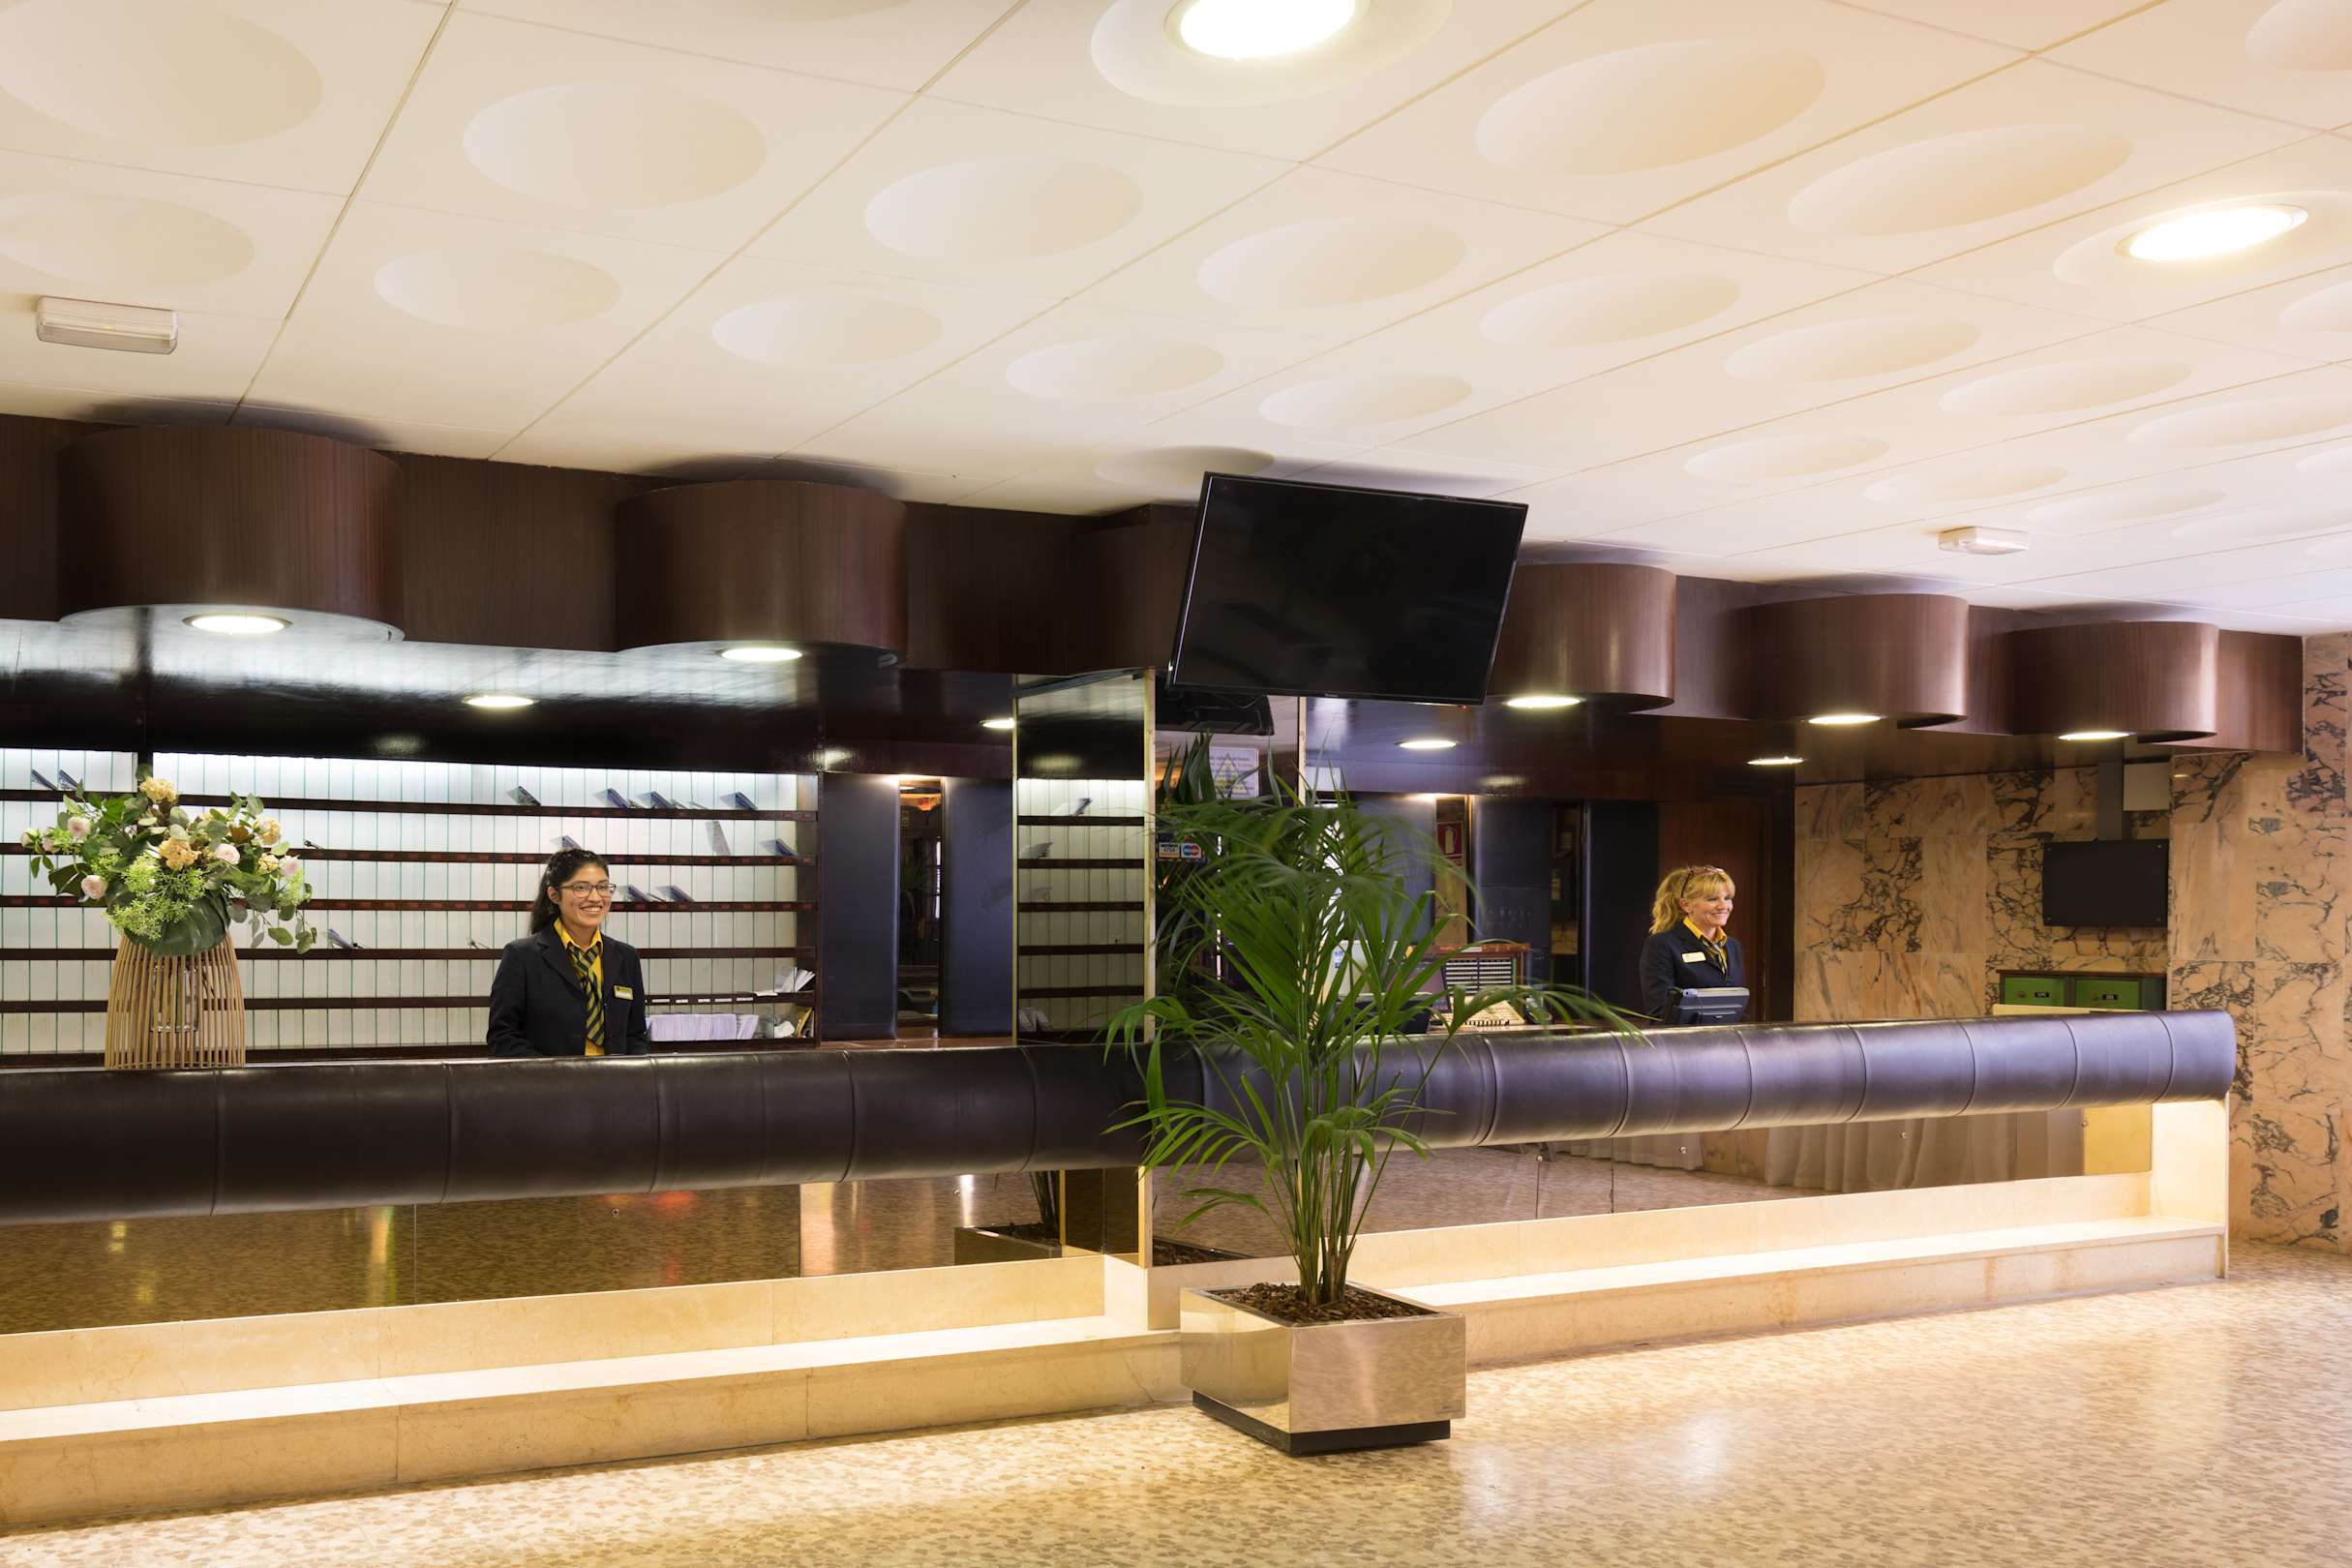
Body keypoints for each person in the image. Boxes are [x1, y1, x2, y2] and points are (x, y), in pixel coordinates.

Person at [487, 847, 654, 1058]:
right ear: (554, 895)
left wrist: (634, 1070)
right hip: (549, 1077)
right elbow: (503, 1036)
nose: (595, 898)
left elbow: (635, 1034)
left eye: (603, 887)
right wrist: (554, 1072)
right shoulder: (521, 956)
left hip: (614, 1077)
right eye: (581, 888)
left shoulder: (626, 957)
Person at [1639, 864, 1746, 1023]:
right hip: (1685, 1038)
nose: (1724, 906)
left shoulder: (1733, 946)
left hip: (1729, 1038)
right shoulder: (1662, 945)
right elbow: (1660, 1012)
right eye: (1712, 899)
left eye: (1727, 898)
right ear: (1686, 905)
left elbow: (1740, 1009)